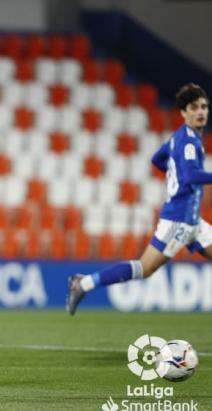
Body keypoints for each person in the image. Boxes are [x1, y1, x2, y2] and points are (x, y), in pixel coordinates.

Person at [67, 83, 209, 315]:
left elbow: (157, 159)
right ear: (183, 112)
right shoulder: (189, 142)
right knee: (144, 268)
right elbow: (190, 175)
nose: (201, 112)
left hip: (193, 221)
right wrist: (178, 175)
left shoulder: (179, 138)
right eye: (194, 107)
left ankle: (82, 283)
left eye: (204, 107)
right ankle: (82, 283)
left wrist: (172, 170)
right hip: (179, 220)